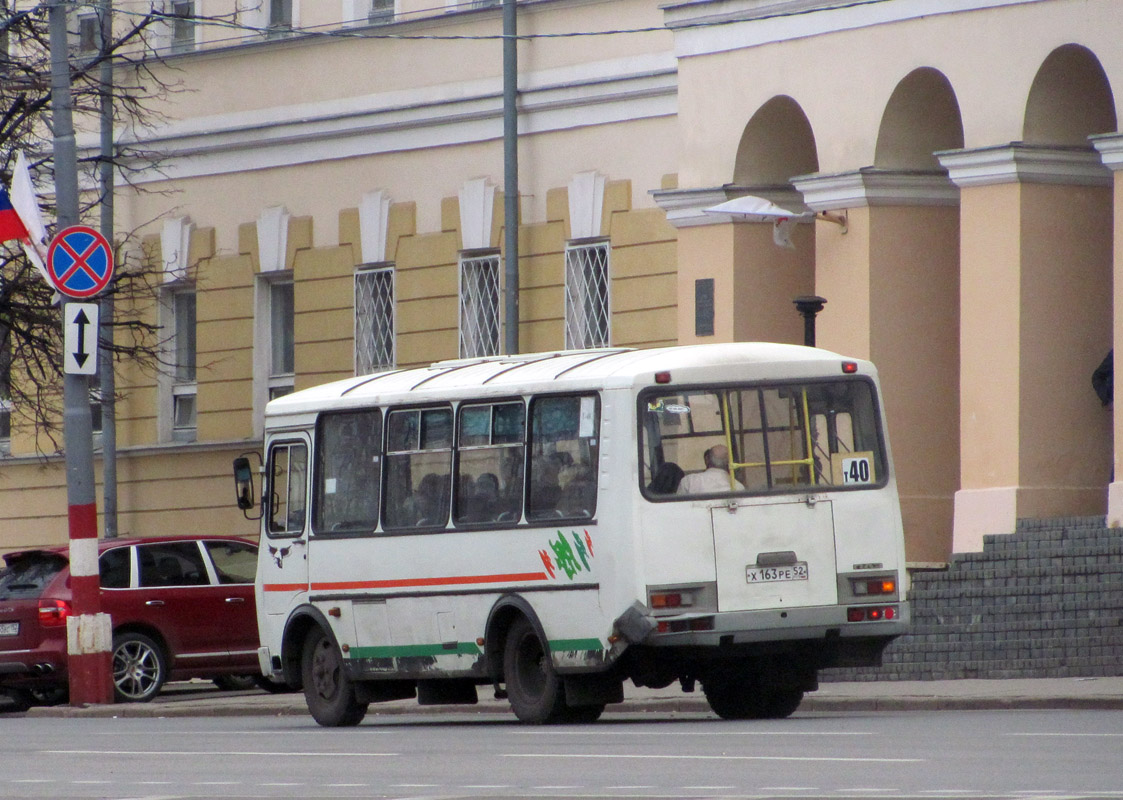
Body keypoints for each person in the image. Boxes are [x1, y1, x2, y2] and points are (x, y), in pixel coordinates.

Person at [677, 444, 744, 494]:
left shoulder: (689, 482)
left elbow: (679, 509)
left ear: (707, 459)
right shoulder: (738, 486)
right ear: (730, 463)